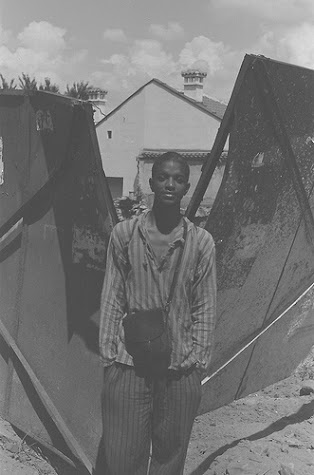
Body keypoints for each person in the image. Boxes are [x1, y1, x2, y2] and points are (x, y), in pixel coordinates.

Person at [99, 151, 216, 475]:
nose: (170, 184)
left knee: (169, 459)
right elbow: (112, 297)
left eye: (178, 179)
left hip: (179, 368)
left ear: (186, 187)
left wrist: (197, 364)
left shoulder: (201, 243)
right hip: (129, 365)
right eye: (163, 177)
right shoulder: (124, 235)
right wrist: (109, 359)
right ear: (151, 183)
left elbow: (205, 306)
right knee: (122, 457)